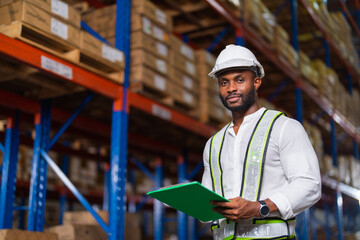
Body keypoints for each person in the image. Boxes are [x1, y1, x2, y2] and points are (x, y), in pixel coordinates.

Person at [201, 44, 321, 240]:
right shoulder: (213, 144)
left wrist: (259, 208)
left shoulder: (284, 127)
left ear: (256, 82)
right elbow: (208, 209)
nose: (231, 88)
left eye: (239, 80)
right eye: (224, 82)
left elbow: (310, 185)